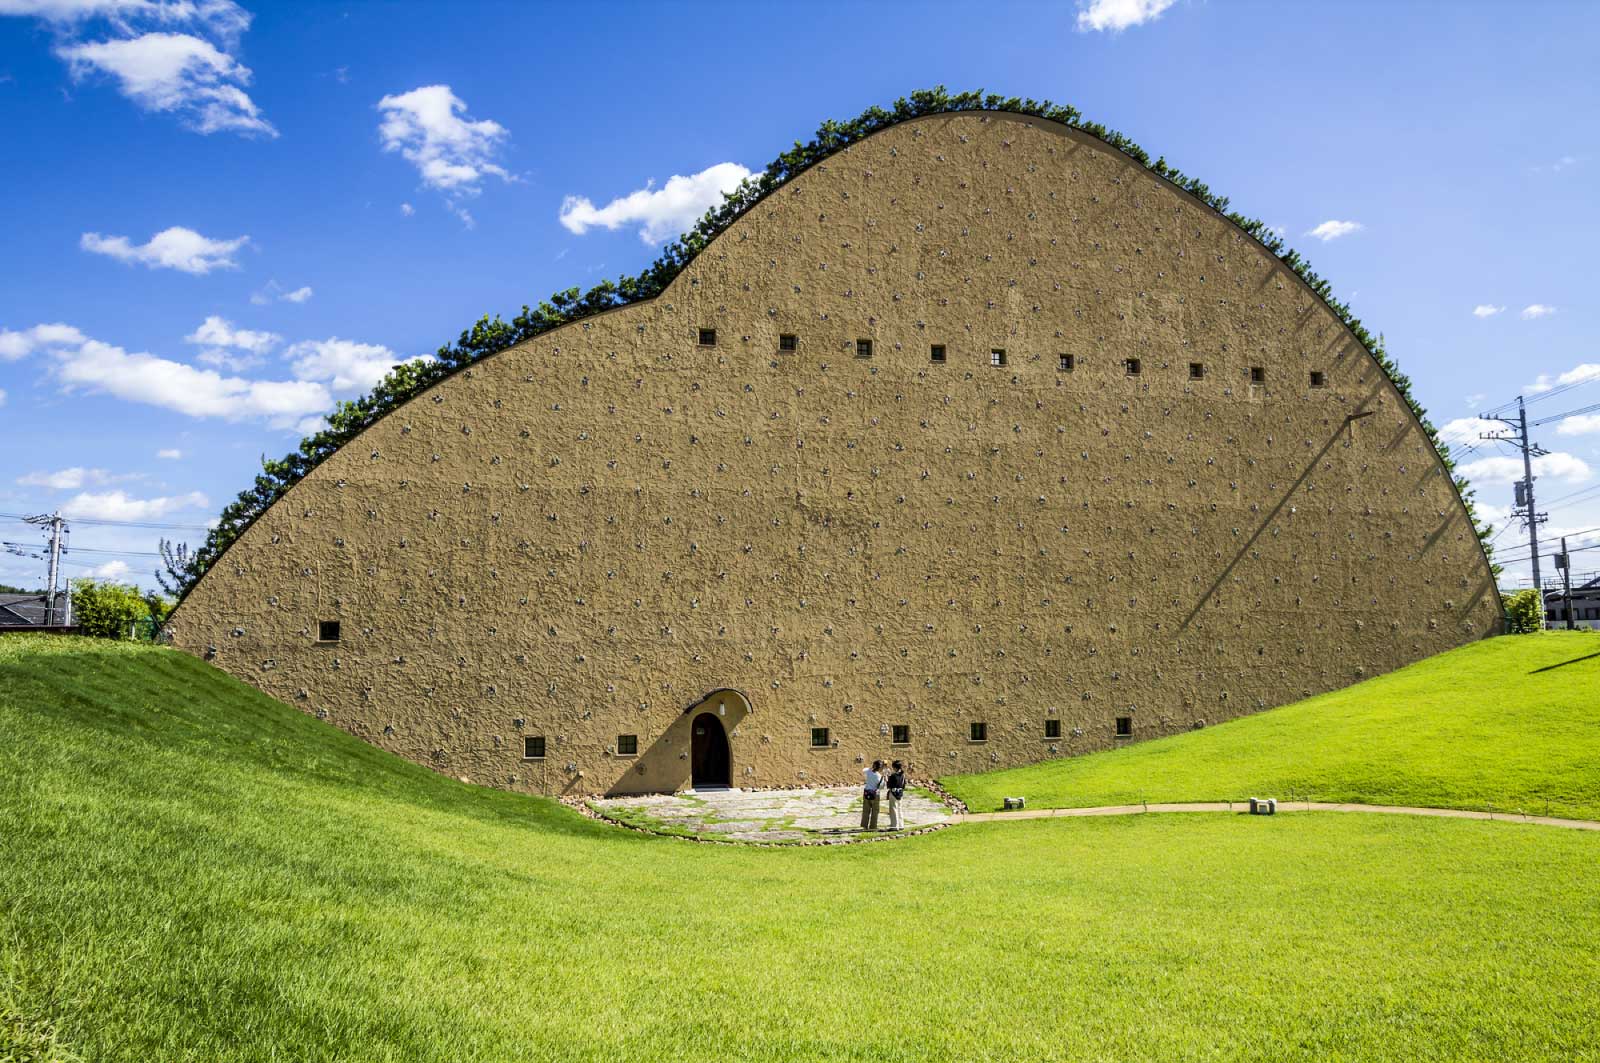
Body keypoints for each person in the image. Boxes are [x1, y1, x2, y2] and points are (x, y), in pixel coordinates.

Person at [860, 760, 884, 831]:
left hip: (867, 792)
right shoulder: (879, 776)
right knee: (875, 811)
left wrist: (871, 768)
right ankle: (873, 826)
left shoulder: (868, 772)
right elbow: (881, 787)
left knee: (866, 810)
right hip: (875, 794)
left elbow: (863, 769)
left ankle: (864, 826)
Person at [885, 760, 907, 830]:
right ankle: (901, 825)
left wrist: (886, 778)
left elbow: (889, 785)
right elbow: (903, 785)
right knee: (899, 809)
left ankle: (894, 826)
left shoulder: (893, 775)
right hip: (900, 793)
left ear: (895, 767)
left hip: (893, 793)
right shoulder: (903, 775)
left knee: (893, 809)